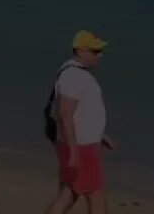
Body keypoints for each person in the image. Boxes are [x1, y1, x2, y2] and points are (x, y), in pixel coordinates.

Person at [46, 31, 114, 214]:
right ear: (81, 51)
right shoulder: (74, 76)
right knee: (97, 199)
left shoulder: (70, 71)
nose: (100, 55)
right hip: (80, 148)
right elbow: (65, 113)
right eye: (95, 51)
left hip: (77, 144)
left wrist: (100, 135)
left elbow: (76, 113)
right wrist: (74, 152)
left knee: (68, 194)